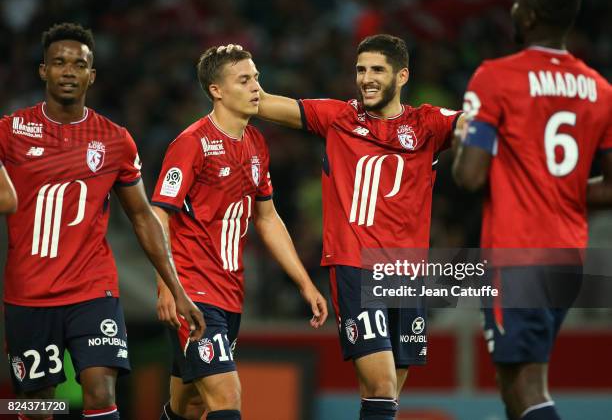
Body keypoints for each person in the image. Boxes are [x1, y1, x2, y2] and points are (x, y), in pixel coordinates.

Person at [224, 34, 464, 420]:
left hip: (408, 274)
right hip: (356, 266)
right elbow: (263, 103)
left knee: (385, 397)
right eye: (361, 69)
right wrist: (235, 71)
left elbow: (474, 122)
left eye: (377, 70)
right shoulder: (339, 117)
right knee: (383, 385)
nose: (366, 78)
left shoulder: (428, 124)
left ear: (402, 76)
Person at [0, 23, 205, 420]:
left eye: (79, 64)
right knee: (38, 405)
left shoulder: (114, 140)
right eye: (59, 63)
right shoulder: (10, 132)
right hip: (28, 294)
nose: (68, 71)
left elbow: (143, 217)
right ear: (43, 71)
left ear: (91, 75)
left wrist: (177, 289)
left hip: (92, 291)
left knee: (99, 389)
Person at [453, 0, 612, 419]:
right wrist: (556, 187)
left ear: (531, 14)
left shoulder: (496, 78)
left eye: (519, 1)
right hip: (568, 257)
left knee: (527, 389)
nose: (513, 7)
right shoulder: (599, 88)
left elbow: (469, 176)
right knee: (513, 388)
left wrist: (459, 147)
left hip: (517, 254)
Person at [153, 46, 328, 420]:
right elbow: (158, 216)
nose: (256, 88)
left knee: (189, 403)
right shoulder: (192, 143)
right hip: (193, 291)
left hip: (231, 292)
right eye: (245, 80)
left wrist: (304, 282)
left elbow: (267, 218)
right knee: (226, 397)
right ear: (216, 90)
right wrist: (167, 285)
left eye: (257, 78)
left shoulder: (256, 145)